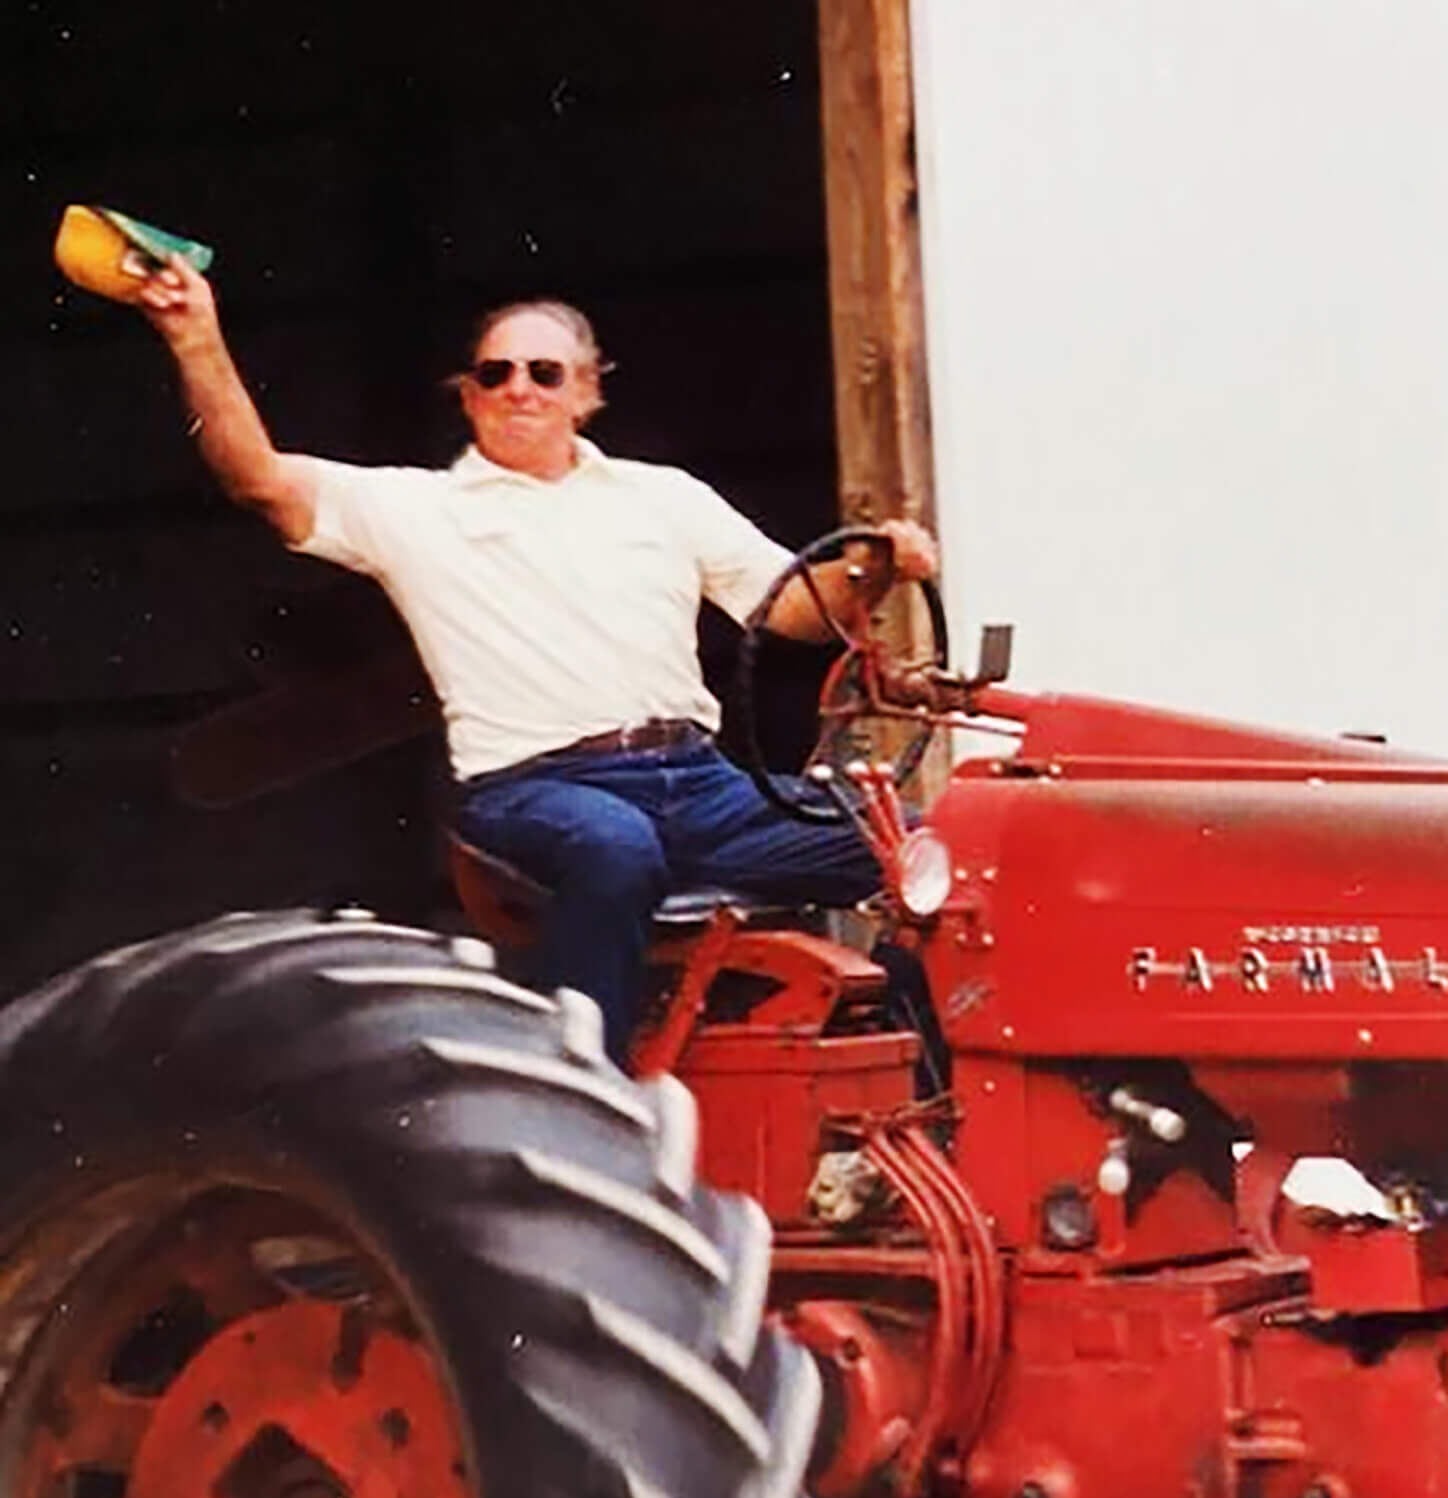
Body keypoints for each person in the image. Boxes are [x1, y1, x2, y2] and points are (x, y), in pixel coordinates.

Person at [134, 260, 936, 1063]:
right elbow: (260, 480)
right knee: (615, 848)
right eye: (497, 372)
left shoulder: (664, 497)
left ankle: (926, 1091)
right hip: (535, 788)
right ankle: (588, 1092)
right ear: (470, 395)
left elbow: (792, 609)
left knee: (927, 853)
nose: (520, 388)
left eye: (545, 373)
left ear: (586, 393)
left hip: (700, 785)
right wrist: (194, 335)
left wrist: (877, 563)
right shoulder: (419, 509)